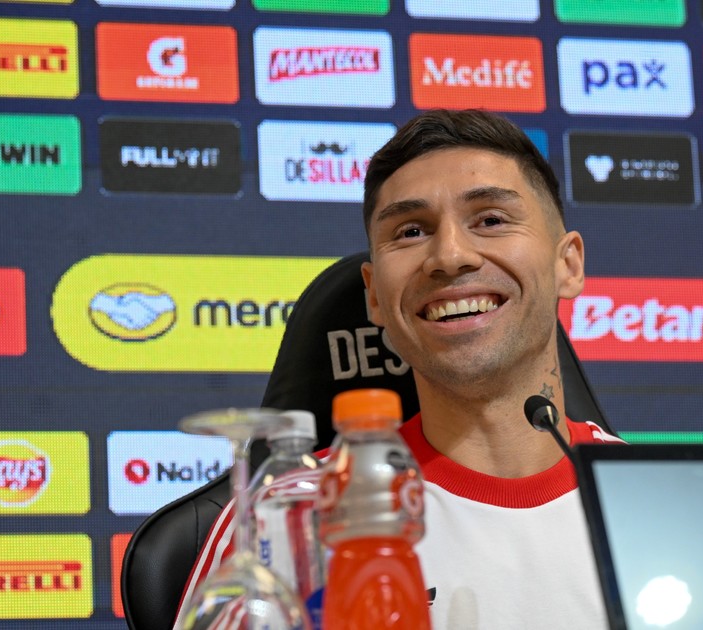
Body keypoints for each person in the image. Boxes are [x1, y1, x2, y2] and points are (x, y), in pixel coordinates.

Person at [177, 109, 621, 629]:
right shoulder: (286, 516)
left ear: (568, 264)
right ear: (374, 296)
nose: (450, 255)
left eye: (491, 220)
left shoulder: (663, 497)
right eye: (411, 231)